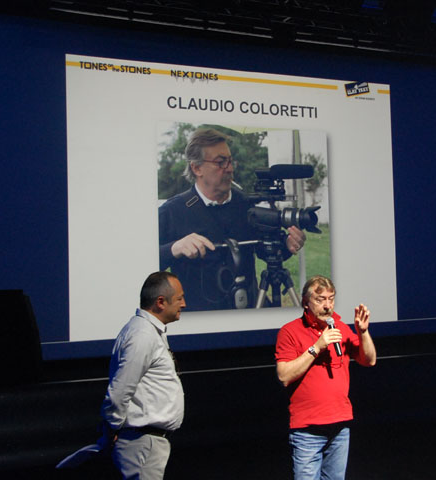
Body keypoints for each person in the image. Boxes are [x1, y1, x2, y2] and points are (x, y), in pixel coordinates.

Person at [158, 128, 306, 311]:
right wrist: (175, 248)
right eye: (220, 162)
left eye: (229, 161)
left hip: (250, 310)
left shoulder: (244, 204)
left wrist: (288, 245)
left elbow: (264, 250)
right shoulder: (173, 211)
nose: (229, 168)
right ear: (196, 168)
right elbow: (145, 261)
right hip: (199, 321)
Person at [275, 275, 377, 480]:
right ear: (305, 302)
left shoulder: (340, 327)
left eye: (331, 299)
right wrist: (317, 347)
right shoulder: (290, 331)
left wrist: (363, 332)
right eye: (320, 299)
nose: (327, 305)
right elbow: (284, 375)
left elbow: (369, 360)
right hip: (307, 430)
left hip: (339, 425)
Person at [101, 271, 186, 480]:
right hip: (141, 442)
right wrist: (111, 429)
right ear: (160, 302)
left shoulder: (148, 332)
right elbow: (120, 389)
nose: (183, 304)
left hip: (147, 441)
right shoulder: (142, 336)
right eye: (179, 298)